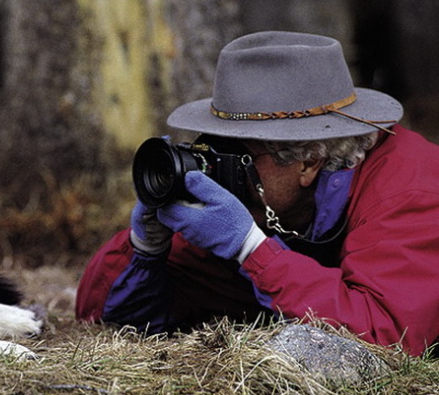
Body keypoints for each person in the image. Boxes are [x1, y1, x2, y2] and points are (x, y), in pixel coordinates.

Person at [75, 31, 439, 356]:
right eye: (210, 146)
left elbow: (392, 336)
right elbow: (102, 320)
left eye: (237, 156)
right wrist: (146, 250)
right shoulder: (246, 210)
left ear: (308, 162)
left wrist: (254, 251)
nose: (217, 168)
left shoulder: (410, 192)